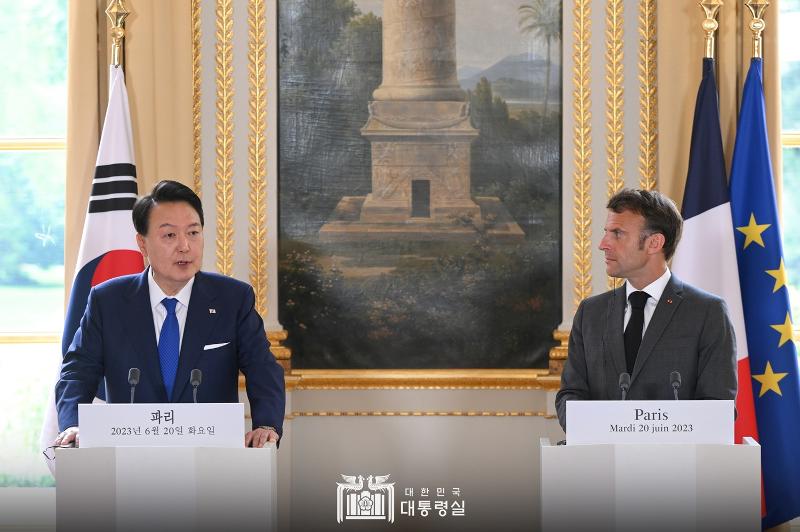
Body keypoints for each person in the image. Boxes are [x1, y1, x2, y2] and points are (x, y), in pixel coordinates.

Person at [55, 180, 285, 447]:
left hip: (212, 457)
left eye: (193, 233)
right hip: (130, 457)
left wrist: (266, 424)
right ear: (142, 244)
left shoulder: (232, 299)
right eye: (169, 235)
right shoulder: (108, 301)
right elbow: (78, 372)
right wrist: (73, 424)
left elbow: (262, 368)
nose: (184, 246)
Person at [555, 188, 736, 431]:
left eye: (617, 234)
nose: (602, 244)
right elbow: (570, 394)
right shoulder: (591, 312)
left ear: (654, 243)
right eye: (606, 232)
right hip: (600, 463)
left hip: (675, 465)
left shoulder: (707, 313)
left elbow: (717, 405)